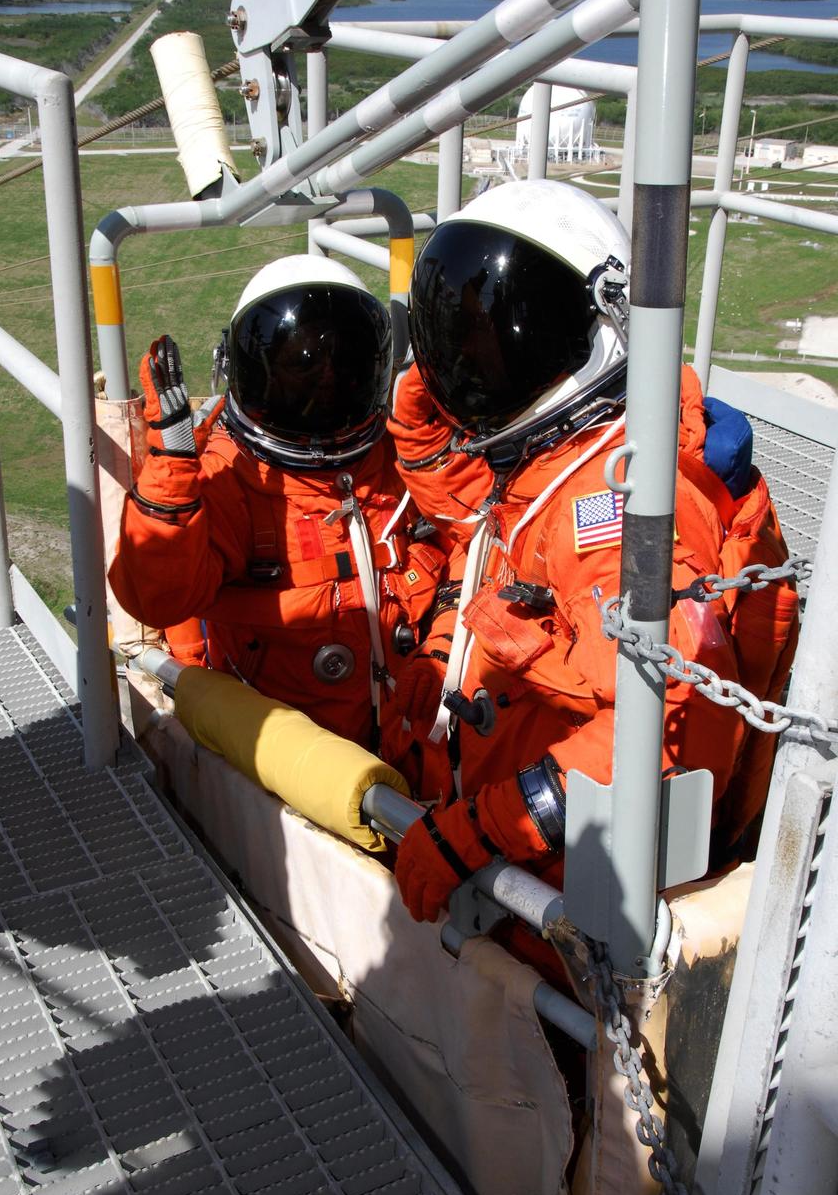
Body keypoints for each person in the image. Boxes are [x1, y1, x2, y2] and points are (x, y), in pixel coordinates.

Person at [384, 180, 799, 923]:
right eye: (459, 335)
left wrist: (474, 836)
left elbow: (659, 726)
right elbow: (469, 505)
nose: (472, 357)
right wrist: (430, 392)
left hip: (570, 897)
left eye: (491, 332)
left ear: (597, 325)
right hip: (526, 846)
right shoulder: (557, 454)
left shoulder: (611, 503)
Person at [109, 254, 448, 751]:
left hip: (413, 729)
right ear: (255, 369)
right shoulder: (231, 479)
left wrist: (439, 643)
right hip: (287, 760)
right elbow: (158, 598)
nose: (327, 378)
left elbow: (465, 547)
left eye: (343, 360)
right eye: (303, 363)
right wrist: (170, 469)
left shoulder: (400, 457)